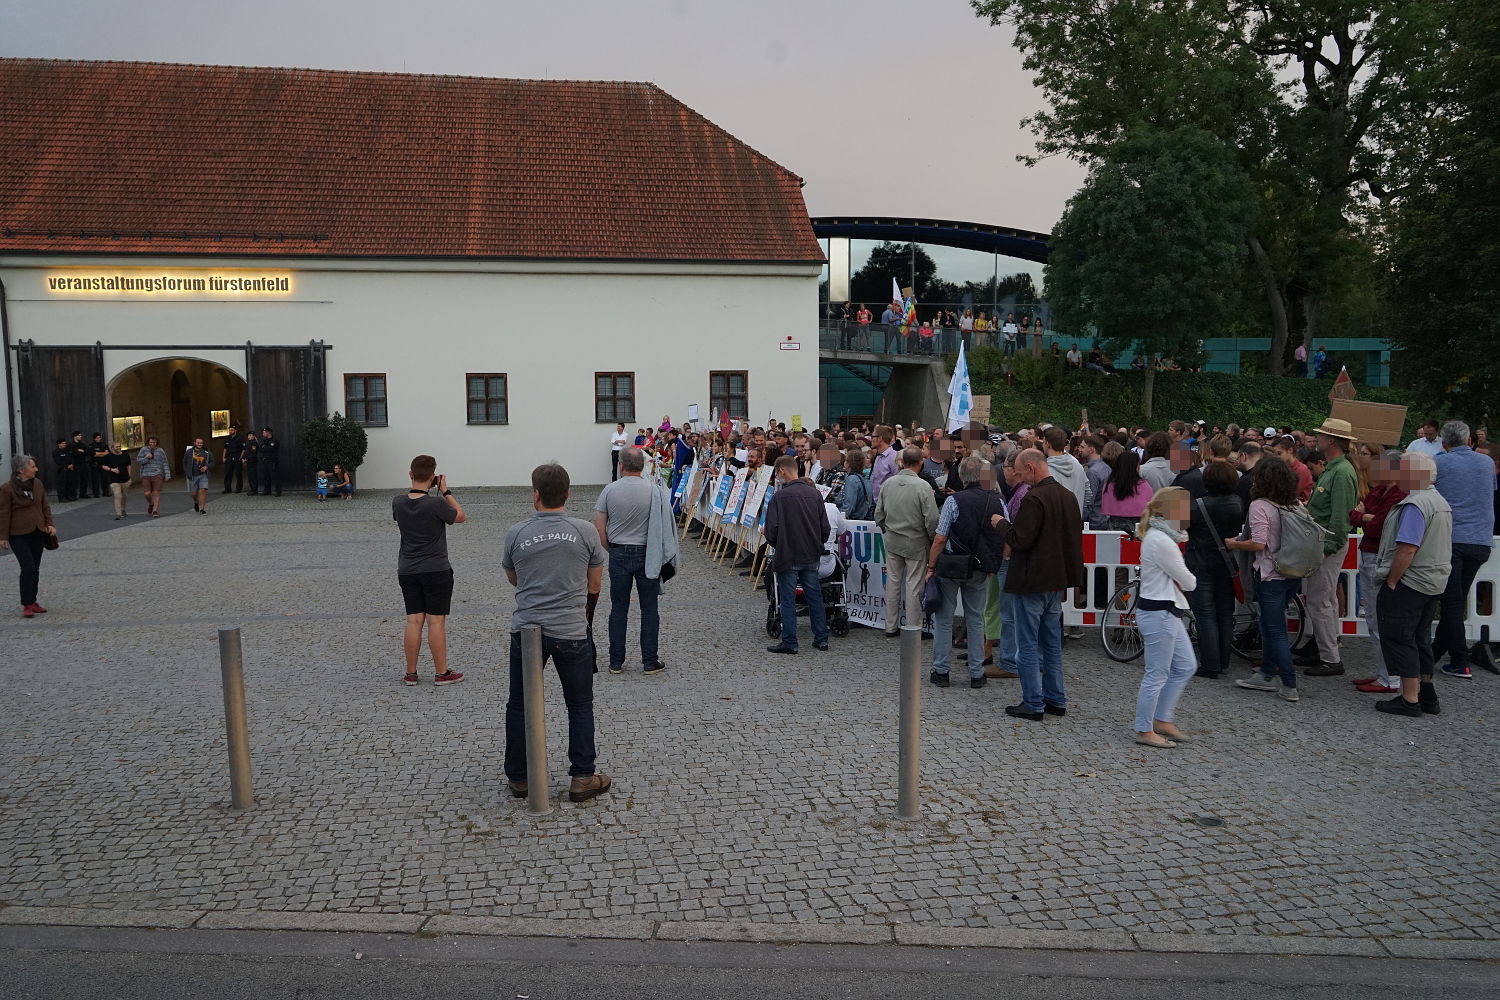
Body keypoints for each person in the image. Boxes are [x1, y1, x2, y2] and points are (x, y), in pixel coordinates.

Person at [502, 462, 610, 803]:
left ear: (535, 495)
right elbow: (595, 584)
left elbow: (514, 578)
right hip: (571, 630)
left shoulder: (516, 533)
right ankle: (582, 776)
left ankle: (520, 778)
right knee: (579, 704)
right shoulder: (584, 531)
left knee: (520, 704)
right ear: (567, 493)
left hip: (528, 629)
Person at [1002, 449, 1086, 721]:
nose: (1019, 476)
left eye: (1020, 471)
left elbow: (1021, 539)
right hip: (1057, 580)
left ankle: (1033, 702)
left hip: (1032, 580)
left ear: (1031, 467)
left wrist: (1001, 524)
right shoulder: (1068, 496)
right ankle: (1056, 698)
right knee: (1051, 643)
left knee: (1026, 644)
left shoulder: (1033, 498)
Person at [1371, 452, 1453, 717]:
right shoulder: (1439, 501)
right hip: (1433, 579)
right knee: (1420, 639)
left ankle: (1409, 699)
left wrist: (1392, 579)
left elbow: (1407, 548)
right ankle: (1426, 696)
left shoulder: (1415, 504)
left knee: (1401, 637)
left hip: (1412, 581)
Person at [1227, 456, 1302, 702]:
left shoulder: (1260, 506)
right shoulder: (1294, 503)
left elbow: (1258, 542)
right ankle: (1267, 672)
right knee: (1271, 627)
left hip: (1269, 574)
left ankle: (1289, 683)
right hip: (1291, 572)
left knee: (1275, 630)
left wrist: (1235, 543)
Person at [926, 455, 1006, 687]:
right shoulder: (998, 500)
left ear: (961, 476)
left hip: (952, 564)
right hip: (981, 566)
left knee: (944, 619)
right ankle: (976, 673)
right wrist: (995, 563)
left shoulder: (954, 501)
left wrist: (931, 566)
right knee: (976, 619)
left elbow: (940, 538)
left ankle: (941, 671)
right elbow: (1004, 533)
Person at [393, 454, 467, 687]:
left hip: (407, 569)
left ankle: (411, 674)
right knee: (436, 622)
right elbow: (461, 517)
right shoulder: (436, 504)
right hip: (436, 569)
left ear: (410, 474)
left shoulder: (397, 502)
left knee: (413, 621)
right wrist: (445, 491)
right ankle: (441, 673)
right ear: (433, 477)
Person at [1295, 418, 1361, 676]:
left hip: (1327, 543)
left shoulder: (1341, 471)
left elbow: (1340, 514)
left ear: (1331, 440)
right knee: (1326, 600)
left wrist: (1329, 546)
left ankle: (1330, 659)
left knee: (1321, 601)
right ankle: (1327, 651)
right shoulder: (1337, 468)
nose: (1317, 439)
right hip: (1324, 541)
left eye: (1321, 435)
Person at [594, 447, 668, 675]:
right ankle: (649, 660)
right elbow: (663, 525)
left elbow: (599, 526)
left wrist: (611, 548)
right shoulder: (654, 490)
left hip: (618, 552)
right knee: (649, 608)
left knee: (618, 608)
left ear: (621, 466)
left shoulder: (609, 490)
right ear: (644, 466)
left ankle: (616, 661)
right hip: (647, 553)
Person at [1133, 487, 1197, 747]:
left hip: (1164, 610)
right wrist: (1183, 580)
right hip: (1160, 612)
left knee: (1185, 666)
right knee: (1157, 673)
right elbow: (1189, 582)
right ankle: (1145, 728)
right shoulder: (1162, 540)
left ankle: (1160, 718)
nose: (1188, 513)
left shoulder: (1160, 537)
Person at [1431, 420, 1495, 679]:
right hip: (1480, 540)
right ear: (1469, 440)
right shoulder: (1487, 463)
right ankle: (1435, 653)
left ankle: (1459, 660)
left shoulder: (1440, 462)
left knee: (1452, 602)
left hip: (1452, 539)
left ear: (1444, 443)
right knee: (1454, 600)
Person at [1350, 449, 1408, 694]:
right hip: (1369, 554)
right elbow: (1356, 516)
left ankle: (1390, 677)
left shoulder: (1398, 494)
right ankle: (1384, 672)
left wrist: (1364, 515)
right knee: (1373, 617)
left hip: (1380, 557)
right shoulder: (1380, 490)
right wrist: (1364, 516)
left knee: (1379, 618)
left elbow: (1380, 525)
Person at [764, 455, 831, 654]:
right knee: (814, 596)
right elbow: (824, 528)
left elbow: (771, 530)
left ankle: (790, 642)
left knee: (787, 598)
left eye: (777, 472)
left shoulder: (779, 497)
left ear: (782, 470)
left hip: (788, 554)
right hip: (810, 553)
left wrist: (779, 544)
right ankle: (821, 638)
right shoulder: (815, 495)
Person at [1184, 461, 1244, 679]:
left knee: (1205, 614)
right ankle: (1223, 659)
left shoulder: (1196, 505)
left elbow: (1174, 523)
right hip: (1226, 563)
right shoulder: (1237, 502)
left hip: (1200, 562)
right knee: (1224, 613)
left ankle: (1210, 664)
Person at [875, 447, 940, 639]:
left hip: (893, 539)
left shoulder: (889, 484)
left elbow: (878, 514)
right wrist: (930, 537)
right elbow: (932, 520)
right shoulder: (923, 487)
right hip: (916, 541)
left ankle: (890, 625)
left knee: (893, 583)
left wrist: (888, 528)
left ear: (902, 462)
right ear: (920, 462)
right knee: (914, 585)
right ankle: (913, 628)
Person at [0, 454, 57, 618]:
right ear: (21, 470)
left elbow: (45, 505)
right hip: (18, 534)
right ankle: (26, 603)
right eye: (33, 467)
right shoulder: (7, 489)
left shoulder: (37, 484)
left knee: (35, 568)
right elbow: (3, 514)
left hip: (38, 531)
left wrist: (50, 524)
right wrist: (2, 536)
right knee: (28, 567)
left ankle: (33, 601)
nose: (36, 469)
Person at [1099, 451, 1153, 532]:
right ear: (1135, 467)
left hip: (1114, 527)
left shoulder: (1109, 485)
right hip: (1138, 527)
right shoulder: (1144, 486)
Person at [98, 441, 132, 520]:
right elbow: (103, 466)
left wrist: (129, 475)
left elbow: (129, 465)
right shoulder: (108, 456)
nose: (119, 448)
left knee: (124, 496)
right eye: (116, 447)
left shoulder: (125, 455)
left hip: (125, 479)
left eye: (119, 446)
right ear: (112, 448)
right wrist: (112, 469)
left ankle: (122, 509)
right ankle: (118, 513)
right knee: (118, 496)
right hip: (114, 479)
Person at [137, 436, 170, 516]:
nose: (152, 444)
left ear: (157, 443)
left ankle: (155, 510)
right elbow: (138, 461)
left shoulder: (160, 451)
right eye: (151, 442)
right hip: (146, 474)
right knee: (147, 493)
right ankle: (151, 503)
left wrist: (167, 474)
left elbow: (165, 462)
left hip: (157, 473)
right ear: (148, 442)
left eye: (154, 442)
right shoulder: (143, 450)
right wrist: (146, 457)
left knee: (156, 492)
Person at [182, 437, 214, 515]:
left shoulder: (206, 452)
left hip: (203, 475)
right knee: (194, 494)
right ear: (195, 443)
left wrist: (207, 467)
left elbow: (213, 462)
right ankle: (196, 502)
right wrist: (187, 472)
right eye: (198, 443)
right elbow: (184, 462)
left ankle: (202, 509)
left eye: (201, 443)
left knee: (203, 490)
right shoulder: (189, 452)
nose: (199, 444)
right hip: (193, 475)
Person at [840, 448, 873, 520]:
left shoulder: (852, 480)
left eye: (845, 460)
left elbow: (849, 505)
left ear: (849, 464)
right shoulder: (865, 479)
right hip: (863, 519)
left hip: (853, 521)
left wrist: (840, 519)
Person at [868, 425, 898, 503]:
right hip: (875, 503)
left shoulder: (894, 457)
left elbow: (899, 481)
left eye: (873, 436)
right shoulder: (878, 457)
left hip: (888, 504)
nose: (871, 439)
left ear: (880, 438)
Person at [257, 427, 281, 496]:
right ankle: (267, 491)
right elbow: (261, 448)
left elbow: (271, 449)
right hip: (265, 461)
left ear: (268, 433)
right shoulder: (264, 440)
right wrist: (265, 448)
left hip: (272, 461)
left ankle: (278, 491)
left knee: (275, 477)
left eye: (264, 432)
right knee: (266, 476)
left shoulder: (274, 440)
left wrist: (265, 447)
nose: (263, 434)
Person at [221, 426, 245, 493]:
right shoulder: (227, 438)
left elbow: (244, 449)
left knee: (238, 474)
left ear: (235, 430)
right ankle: (227, 488)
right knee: (228, 474)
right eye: (230, 430)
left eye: (232, 430)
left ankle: (239, 488)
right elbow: (225, 448)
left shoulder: (240, 438)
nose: (231, 431)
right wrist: (223, 457)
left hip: (237, 458)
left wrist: (241, 457)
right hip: (229, 458)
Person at [68, 431, 91, 500]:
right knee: (74, 480)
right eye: (79, 435)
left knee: (84, 479)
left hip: (83, 463)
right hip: (75, 464)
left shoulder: (83, 444)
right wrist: (79, 451)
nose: (81, 436)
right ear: (75, 436)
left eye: (81, 435)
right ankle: (73, 495)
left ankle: (83, 494)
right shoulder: (71, 445)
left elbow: (88, 452)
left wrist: (82, 451)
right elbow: (74, 453)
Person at [89, 432, 108, 499]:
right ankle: (96, 494)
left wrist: (99, 454)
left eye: (100, 437)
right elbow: (94, 454)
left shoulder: (103, 444)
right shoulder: (91, 445)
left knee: (105, 478)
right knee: (95, 479)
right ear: (94, 438)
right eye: (97, 438)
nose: (99, 439)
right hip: (95, 464)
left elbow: (107, 453)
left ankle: (106, 492)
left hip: (103, 463)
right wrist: (103, 453)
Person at [243, 429, 260, 494]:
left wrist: (246, 458)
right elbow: (246, 452)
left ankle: (254, 490)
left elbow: (253, 453)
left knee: (253, 476)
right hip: (249, 462)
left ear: (253, 436)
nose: (249, 437)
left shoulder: (254, 443)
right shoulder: (248, 442)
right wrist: (244, 458)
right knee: (250, 476)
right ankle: (252, 489)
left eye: (250, 435)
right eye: (248, 435)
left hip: (252, 461)